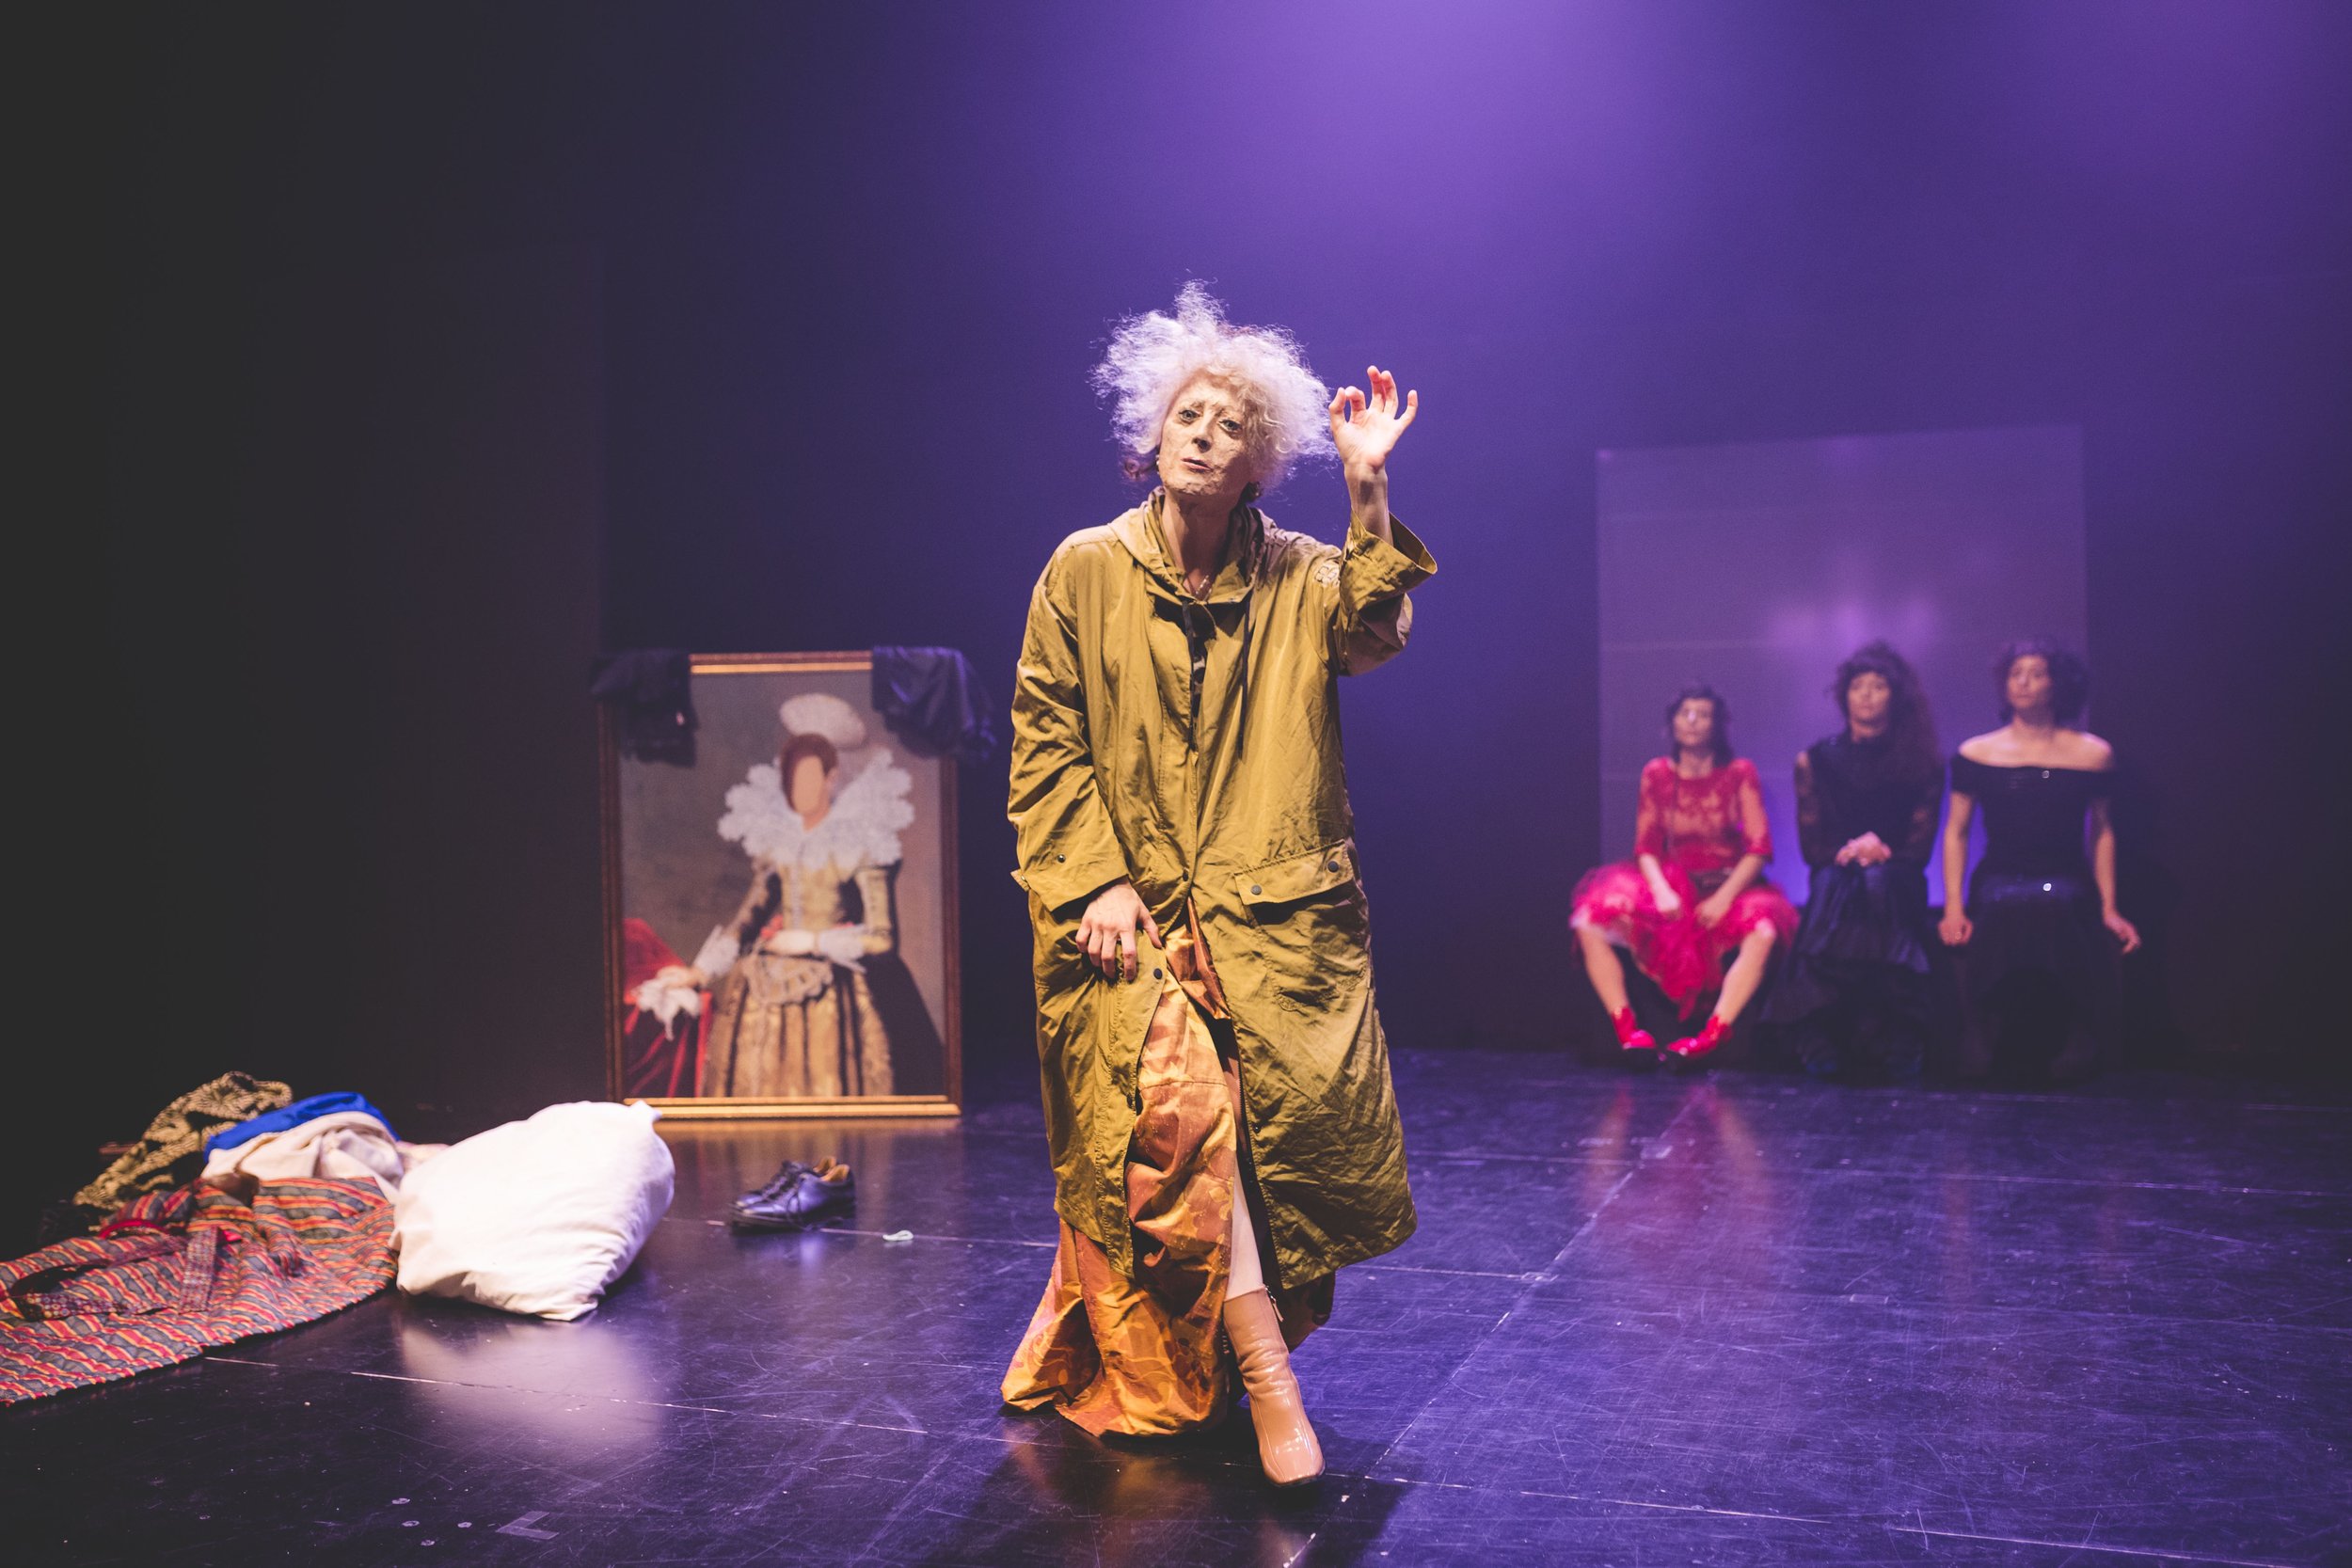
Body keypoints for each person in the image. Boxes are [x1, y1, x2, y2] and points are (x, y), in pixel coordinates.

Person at [998, 284, 1433, 1487]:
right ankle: (1266, 1380)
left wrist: (1368, 487)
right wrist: (1093, 880)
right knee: (1186, 1115)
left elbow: (1370, 626)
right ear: (1150, 433)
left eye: (1230, 426)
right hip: (1123, 925)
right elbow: (1045, 737)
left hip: (1270, 919)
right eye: (1186, 415)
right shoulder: (1083, 570)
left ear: (1259, 462)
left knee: (1260, 1140)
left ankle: (1238, 1359)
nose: (1202, 433)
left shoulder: (1296, 574)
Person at [683, 693, 914, 1099]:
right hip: (764, 990)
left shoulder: (858, 844)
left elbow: (882, 938)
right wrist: (700, 972)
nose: (800, 789)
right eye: (793, 779)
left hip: (828, 991)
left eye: (810, 778)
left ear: (830, 779)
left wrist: (812, 940)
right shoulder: (780, 844)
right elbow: (746, 921)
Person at [1940, 640, 2139, 1081]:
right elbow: (1956, 831)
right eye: (2015, 674)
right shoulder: (1977, 752)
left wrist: (2110, 905)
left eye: (2036, 673)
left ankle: (2073, 1035)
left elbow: (2103, 831)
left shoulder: (2093, 754)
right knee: (2005, 902)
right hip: (2000, 873)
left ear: (2057, 683)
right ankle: (1987, 1033)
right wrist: (1953, 905)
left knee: (2056, 901)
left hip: (2065, 873)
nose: (2024, 683)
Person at [1571, 686, 1798, 1060]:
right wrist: (1661, 891)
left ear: (1717, 724)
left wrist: (1724, 899)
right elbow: (1645, 847)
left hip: (1727, 884)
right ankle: (1628, 1031)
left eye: (1703, 714)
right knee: (1587, 919)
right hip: (1673, 883)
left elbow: (1759, 849)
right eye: (1685, 713)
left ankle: (1713, 1035)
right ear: (1673, 723)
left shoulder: (1739, 773)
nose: (1693, 722)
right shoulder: (1657, 774)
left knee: (1764, 930)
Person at [1762, 641, 1944, 1080]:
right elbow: (1812, 849)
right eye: (1857, 686)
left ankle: (1901, 1035)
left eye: (1878, 686)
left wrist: (1879, 851)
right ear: (1844, 696)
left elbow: (1919, 850)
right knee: (1835, 884)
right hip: (1837, 870)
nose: (1865, 694)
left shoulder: (1923, 762)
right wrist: (1850, 851)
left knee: (1883, 884)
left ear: (1894, 697)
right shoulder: (1817, 759)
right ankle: (1817, 1033)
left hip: (1898, 870)